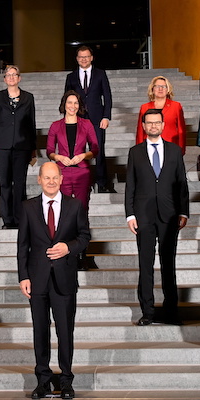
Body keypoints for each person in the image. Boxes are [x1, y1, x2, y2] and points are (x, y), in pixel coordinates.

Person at [17, 162, 91, 400]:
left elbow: (85, 237)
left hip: (64, 280)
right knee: (40, 331)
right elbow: (22, 246)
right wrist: (23, 276)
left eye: (54, 178)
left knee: (65, 331)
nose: (50, 181)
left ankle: (66, 381)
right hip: (37, 280)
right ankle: (43, 381)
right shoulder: (28, 207)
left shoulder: (74, 205)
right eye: (46, 178)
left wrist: (67, 247)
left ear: (61, 179)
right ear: (39, 180)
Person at [125, 108, 190, 326]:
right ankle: (148, 312)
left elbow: (182, 183)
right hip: (143, 216)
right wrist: (130, 214)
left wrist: (183, 211)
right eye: (149, 123)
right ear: (143, 126)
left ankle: (171, 311)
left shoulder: (174, 151)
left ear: (163, 125)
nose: (153, 126)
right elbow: (130, 186)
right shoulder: (135, 152)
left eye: (157, 122)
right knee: (145, 265)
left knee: (168, 263)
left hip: (169, 214)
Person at [0, 65, 37, 229]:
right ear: (5, 79)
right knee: (5, 183)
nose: (11, 77)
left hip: (22, 146)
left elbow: (31, 123)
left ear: (19, 78)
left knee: (19, 183)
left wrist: (33, 149)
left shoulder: (28, 97)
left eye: (14, 75)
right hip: (2, 145)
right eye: (8, 75)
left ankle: (20, 218)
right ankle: (7, 220)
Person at [64, 45, 115, 193]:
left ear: (91, 58)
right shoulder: (71, 77)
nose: (84, 59)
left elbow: (107, 97)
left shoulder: (100, 74)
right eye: (81, 57)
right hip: (76, 119)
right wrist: (68, 119)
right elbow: (67, 99)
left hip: (97, 118)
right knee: (76, 150)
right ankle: (79, 182)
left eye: (86, 56)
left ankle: (102, 182)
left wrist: (106, 116)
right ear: (77, 59)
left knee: (98, 150)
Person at [47, 90, 98, 214]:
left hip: (82, 172)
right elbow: (50, 151)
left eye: (76, 103)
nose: (73, 106)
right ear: (64, 104)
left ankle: (83, 233)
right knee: (64, 209)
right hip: (62, 172)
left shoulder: (87, 124)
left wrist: (83, 155)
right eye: (70, 102)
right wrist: (58, 157)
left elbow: (95, 149)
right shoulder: (55, 126)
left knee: (82, 208)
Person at [134, 75, 187, 154]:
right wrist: (139, 151)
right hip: (150, 146)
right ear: (152, 89)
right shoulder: (144, 107)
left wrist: (181, 149)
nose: (160, 89)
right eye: (157, 86)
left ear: (168, 89)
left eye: (164, 86)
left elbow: (181, 130)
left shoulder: (176, 106)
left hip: (171, 147)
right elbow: (140, 131)